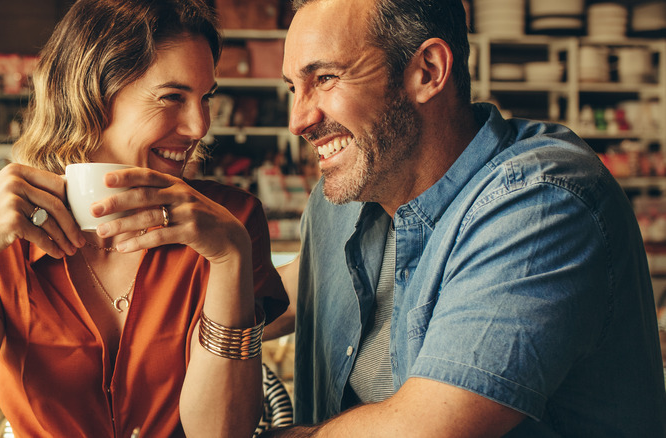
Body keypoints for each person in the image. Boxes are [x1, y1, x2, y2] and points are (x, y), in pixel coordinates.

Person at [264, 0, 666, 436]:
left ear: (428, 71)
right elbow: (296, 290)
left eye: (325, 79)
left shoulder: (539, 203)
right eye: (292, 87)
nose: (298, 120)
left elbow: (425, 430)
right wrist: (220, 263)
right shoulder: (354, 192)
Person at [0, 1, 287, 437]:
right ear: (92, 94)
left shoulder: (230, 224)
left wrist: (231, 258)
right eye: (173, 97)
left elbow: (221, 432)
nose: (199, 125)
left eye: (206, 99)